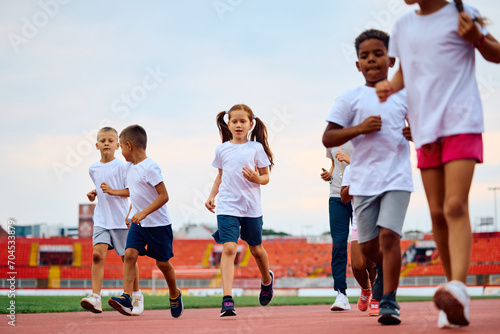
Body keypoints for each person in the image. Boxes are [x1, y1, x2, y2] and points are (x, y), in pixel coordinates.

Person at [375, 0, 500, 328]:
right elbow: (405, 71)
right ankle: (454, 296)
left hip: (461, 120)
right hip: (425, 128)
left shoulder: (462, 13)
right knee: (436, 214)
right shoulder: (402, 26)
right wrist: (392, 85)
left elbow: (496, 53)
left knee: (455, 205)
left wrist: (477, 37)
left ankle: (458, 287)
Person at [322, 29, 413, 325]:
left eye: (378, 53)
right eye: (364, 56)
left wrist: (417, 133)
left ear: (392, 59)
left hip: (397, 178)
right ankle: (382, 277)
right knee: (369, 248)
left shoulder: (404, 95)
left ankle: (388, 300)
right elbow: (328, 136)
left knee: (390, 237)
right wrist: (359, 128)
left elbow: (426, 130)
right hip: (362, 181)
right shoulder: (350, 99)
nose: (372, 59)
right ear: (358, 65)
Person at [205, 104, 274, 317]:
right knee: (228, 249)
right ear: (228, 123)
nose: (238, 125)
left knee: (256, 250)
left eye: (242, 121)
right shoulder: (222, 149)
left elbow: (266, 177)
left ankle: (266, 280)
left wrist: (256, 178)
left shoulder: (256, 148)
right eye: (234, 121)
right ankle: (227, 300)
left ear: (251, 124)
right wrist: (211, 196)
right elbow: (220, 175)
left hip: (250, 207)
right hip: (227, 206)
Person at [108, 125, 183, 318]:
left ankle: (174, 293)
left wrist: (143, 213)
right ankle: (127, 296)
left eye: (121, 148)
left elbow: (164, 196)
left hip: (159, 225)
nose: (121, 152)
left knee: (163, 264)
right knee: (130, 253)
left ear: (129, 145)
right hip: (139, 225)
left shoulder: (150, 167)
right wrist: (128, 207)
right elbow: (136, 192)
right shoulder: (129, 168)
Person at [80, 127, 143, 316]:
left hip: (121, 220)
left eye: (110, 140)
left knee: (128, 259)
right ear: (97, 145)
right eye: (102, 140)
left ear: (117, 144)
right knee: (97, 256)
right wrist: (94, 194)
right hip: (101, 219)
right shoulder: (93, 168)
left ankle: (137, 295)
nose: (106, 143)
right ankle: (95, 298)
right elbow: (101, 189)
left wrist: (113, 191)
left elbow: (133, 190)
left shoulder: (124, 167)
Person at [320, 144, 354, 311]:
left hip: (359, 193)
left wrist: (351, 160)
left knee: (364, 244)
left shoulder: (361, 133)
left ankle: (370, 289)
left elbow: (372, 163)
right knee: (339, 243)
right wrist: (329, 175)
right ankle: (341, 294)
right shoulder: (332, 137)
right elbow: (335, 165)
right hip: (336, 196)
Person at [340, 165, 377, 315]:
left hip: (378, 221)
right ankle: (366, 290)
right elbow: (343, 197)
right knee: (357, 265)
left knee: (375, 264)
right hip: (358, 223)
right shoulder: (351, 169)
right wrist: (355, 183)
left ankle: (376, 298)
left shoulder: (379, 165)